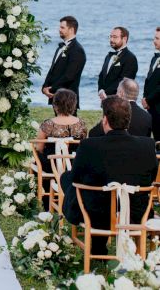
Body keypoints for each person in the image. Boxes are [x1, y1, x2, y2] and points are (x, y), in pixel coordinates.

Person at [61, 96, 157, 255]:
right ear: (128, 119)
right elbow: (151, 176)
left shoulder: (88, 145)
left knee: (68, 179)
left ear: (105, 120)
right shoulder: (147, 145)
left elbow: (76, 178)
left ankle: (98, 246)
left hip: (96, 214)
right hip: (136, 212)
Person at [35, 89, 87, 208]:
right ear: (73, 105)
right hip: (74, 164)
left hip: (50, 165)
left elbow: (40, 147)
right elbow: (82, 147)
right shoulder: (82, 125)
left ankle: (46, 198)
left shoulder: (48, 124)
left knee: (38, 157)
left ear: (55, 105)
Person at [42, 16, 86, 110]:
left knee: (69, 124)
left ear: (71, 29)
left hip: (68, 98)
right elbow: (52, 70)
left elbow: (69, 76)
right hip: (55, 96)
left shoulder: (77, 50)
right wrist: (44, 87)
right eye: (60, 27)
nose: (59, 30)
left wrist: (51, 88)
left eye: (62, 27)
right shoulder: (60, 48)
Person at [98, 26, 138, 100]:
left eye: (115, 37)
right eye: (110, 37)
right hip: (105, 100)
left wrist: (106, 93)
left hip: (120, 101)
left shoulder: (130, 58)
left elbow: (125, 81)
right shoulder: (108, 56)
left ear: (124, 39)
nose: (111, 39)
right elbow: (101, 75)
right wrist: (100, 91)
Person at [142, 27, 160, 141]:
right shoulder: (155, 59)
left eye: (157, 38)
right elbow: (149, 80)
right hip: (151, 107)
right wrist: (144, 98)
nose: (154, 40)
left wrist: (148, 99)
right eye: (155, 37)